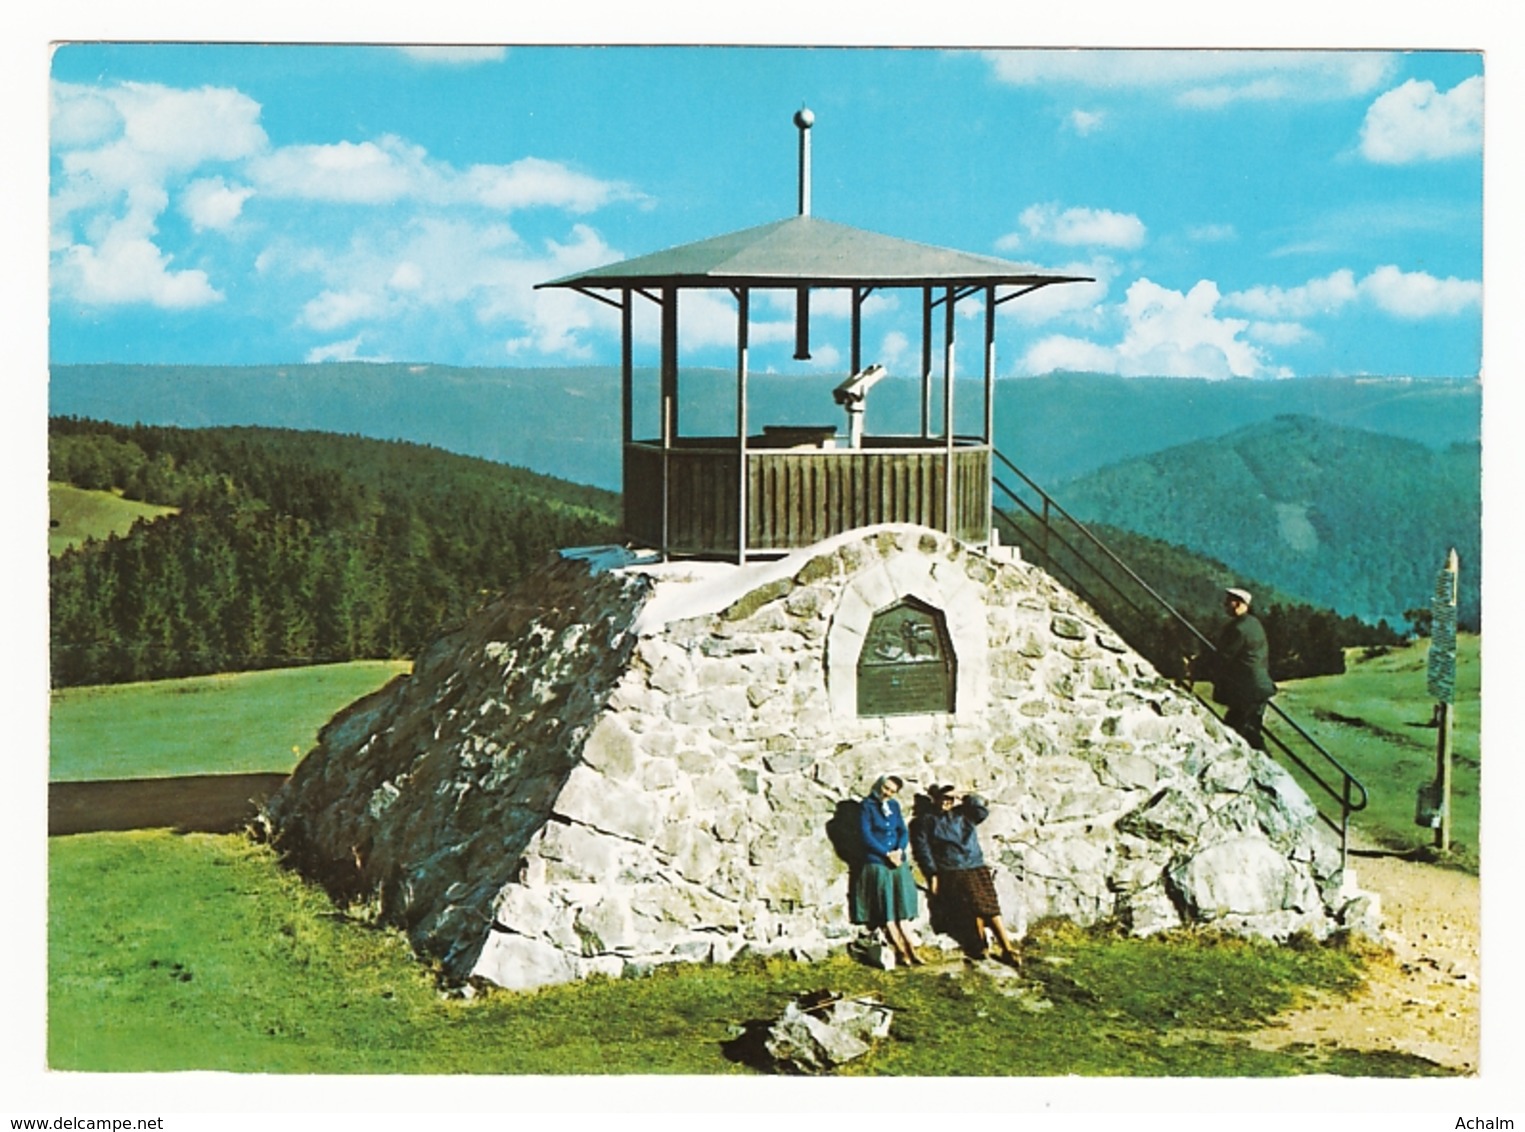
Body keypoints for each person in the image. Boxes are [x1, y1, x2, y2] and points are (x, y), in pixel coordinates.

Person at [911, 785, 1020, 966]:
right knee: (973, 909)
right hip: (952, 870)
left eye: (951, 798)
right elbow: (924, 850)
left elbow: (982, 811)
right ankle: (981, 946)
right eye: (944, 797)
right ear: (935, 798)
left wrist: (967, 796)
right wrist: (933, 874)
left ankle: (1006, 948)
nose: (947, 802)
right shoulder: (925, 821)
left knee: (989, 907)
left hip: (975, 866)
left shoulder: (964, 814)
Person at [852, 774, 924, 967]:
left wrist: (899, 850)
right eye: (886, 788)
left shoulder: (894, 807)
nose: (887, 793)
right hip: (878, 860)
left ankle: (912, 948)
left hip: (896, 859)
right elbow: (865, 835)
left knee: (901, 906)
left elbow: (902, 831)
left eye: (892, 791)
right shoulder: (866, 807)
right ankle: (901, 951)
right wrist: (885, 853)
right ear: (879, 786)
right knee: (887, 909)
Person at [1211, 586, 1277, 751]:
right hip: (1258, 688)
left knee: (1240, 732)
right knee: (1247, 731)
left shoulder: (1238, 629)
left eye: (1229, 601)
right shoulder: (1253, 623)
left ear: (1239, 604)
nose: (1225, 604)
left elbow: (1223, 657)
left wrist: (1197, 667)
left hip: (1247, 690)